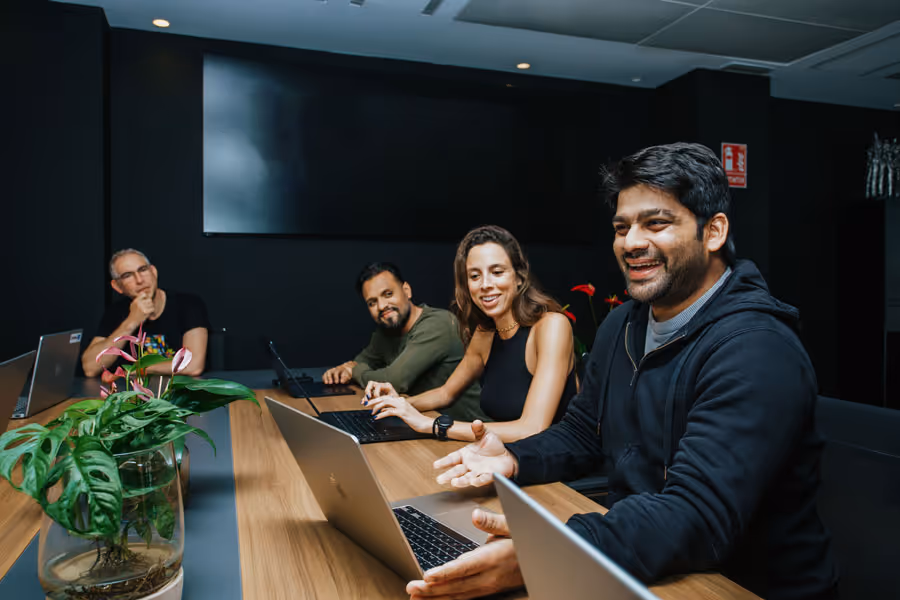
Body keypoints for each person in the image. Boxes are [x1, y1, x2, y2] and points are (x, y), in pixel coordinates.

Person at [410, 143, 838, 600]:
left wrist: (551, 549)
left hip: (740, 586)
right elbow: (581, 432)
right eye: (621, 227)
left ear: (713, 231)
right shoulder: (625, 324)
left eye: (656, 223)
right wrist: (515, 459)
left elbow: (697, 514)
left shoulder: (758, 349)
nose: (631, 242)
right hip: (647, 562)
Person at [365, 226, 578, 443]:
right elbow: (445, 393)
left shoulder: (551, 327)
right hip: (504, 457)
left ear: (519, 277)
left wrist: (432, 425)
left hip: (557, 463)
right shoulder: (485, 334)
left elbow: (532, 428)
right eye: (475, 276)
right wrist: (399, 403)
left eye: (497, 272)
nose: (485, 285)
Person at [322, 262, 485, 422]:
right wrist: (345, 368)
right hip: (425, 424)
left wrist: (355, 372)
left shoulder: (438, 324)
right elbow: (361, 361)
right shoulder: (386, 331)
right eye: (372, 302)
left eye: (388, 294)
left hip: (471, 430)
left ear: (406, 290)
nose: (382, 306)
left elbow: (395, 380)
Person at [82, 249, 210, 377]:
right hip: (134, 395)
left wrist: (136, 370)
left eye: (143, 270)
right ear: (117, 286)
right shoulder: (116, 311)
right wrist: (132, 321)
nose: (139, 280)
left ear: (153, 271)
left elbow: (194, 365)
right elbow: (90, 368)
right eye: (128, 275)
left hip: (179, 392)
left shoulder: (188, 304)